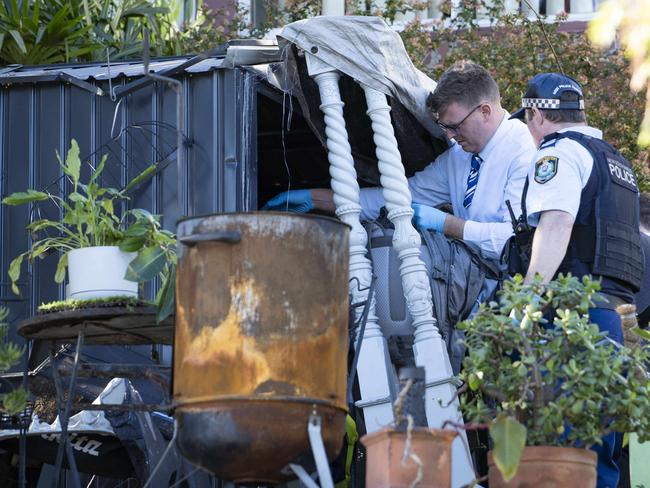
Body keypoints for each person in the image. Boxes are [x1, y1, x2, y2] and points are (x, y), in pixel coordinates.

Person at [509, 72, 644, 488]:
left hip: (572, 319)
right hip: (615, 322)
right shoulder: (615, 160)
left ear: (536, 115)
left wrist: (524, 304)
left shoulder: (559, 153)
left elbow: (556, 226)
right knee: (598, 451)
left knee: (562, 452)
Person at [264, 61, 537, 260]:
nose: (451, 137)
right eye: (446, 129)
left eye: (455, 126)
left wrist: (446, 224)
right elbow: (396, 198)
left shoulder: (524, 152)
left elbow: (515, 241)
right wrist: (315, 198)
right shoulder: (458, 157)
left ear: (485, 111)